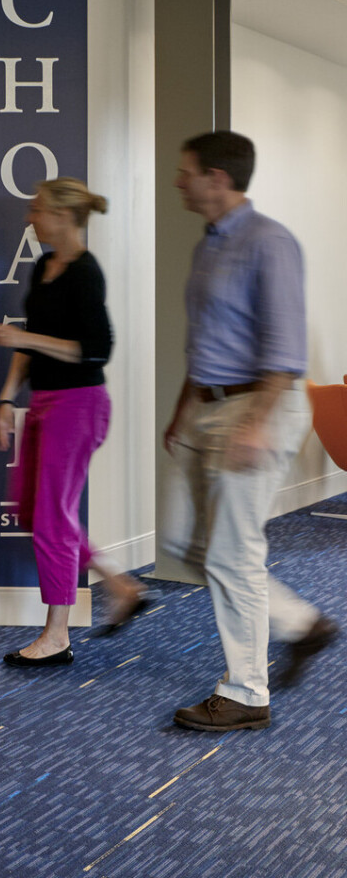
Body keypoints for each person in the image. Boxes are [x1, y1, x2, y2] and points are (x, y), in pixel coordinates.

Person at [162, 131, 336, 731]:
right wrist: (184, 408)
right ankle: (302, 626)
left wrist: (255, 425)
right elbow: (207, 338)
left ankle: (246, 693)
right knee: (192, 543)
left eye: (186, 172)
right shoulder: (208, 245)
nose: (179, 180)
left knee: (233, 554)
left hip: (258, 407)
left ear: (217, 177)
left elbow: (284, 355)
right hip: (210, 407)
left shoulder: (270, 243)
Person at [0, 178, 148, 667]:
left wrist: (24, 342)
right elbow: (32, 337)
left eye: (37, 210)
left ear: (62, 216)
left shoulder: (84, 272)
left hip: (79, 405)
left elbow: (95, 349)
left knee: (53, 520)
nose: (30, 218)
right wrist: (7, 399)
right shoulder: (43, 267)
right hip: (46, 402)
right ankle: (120, 585)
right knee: (34, 511)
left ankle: (56, 635)